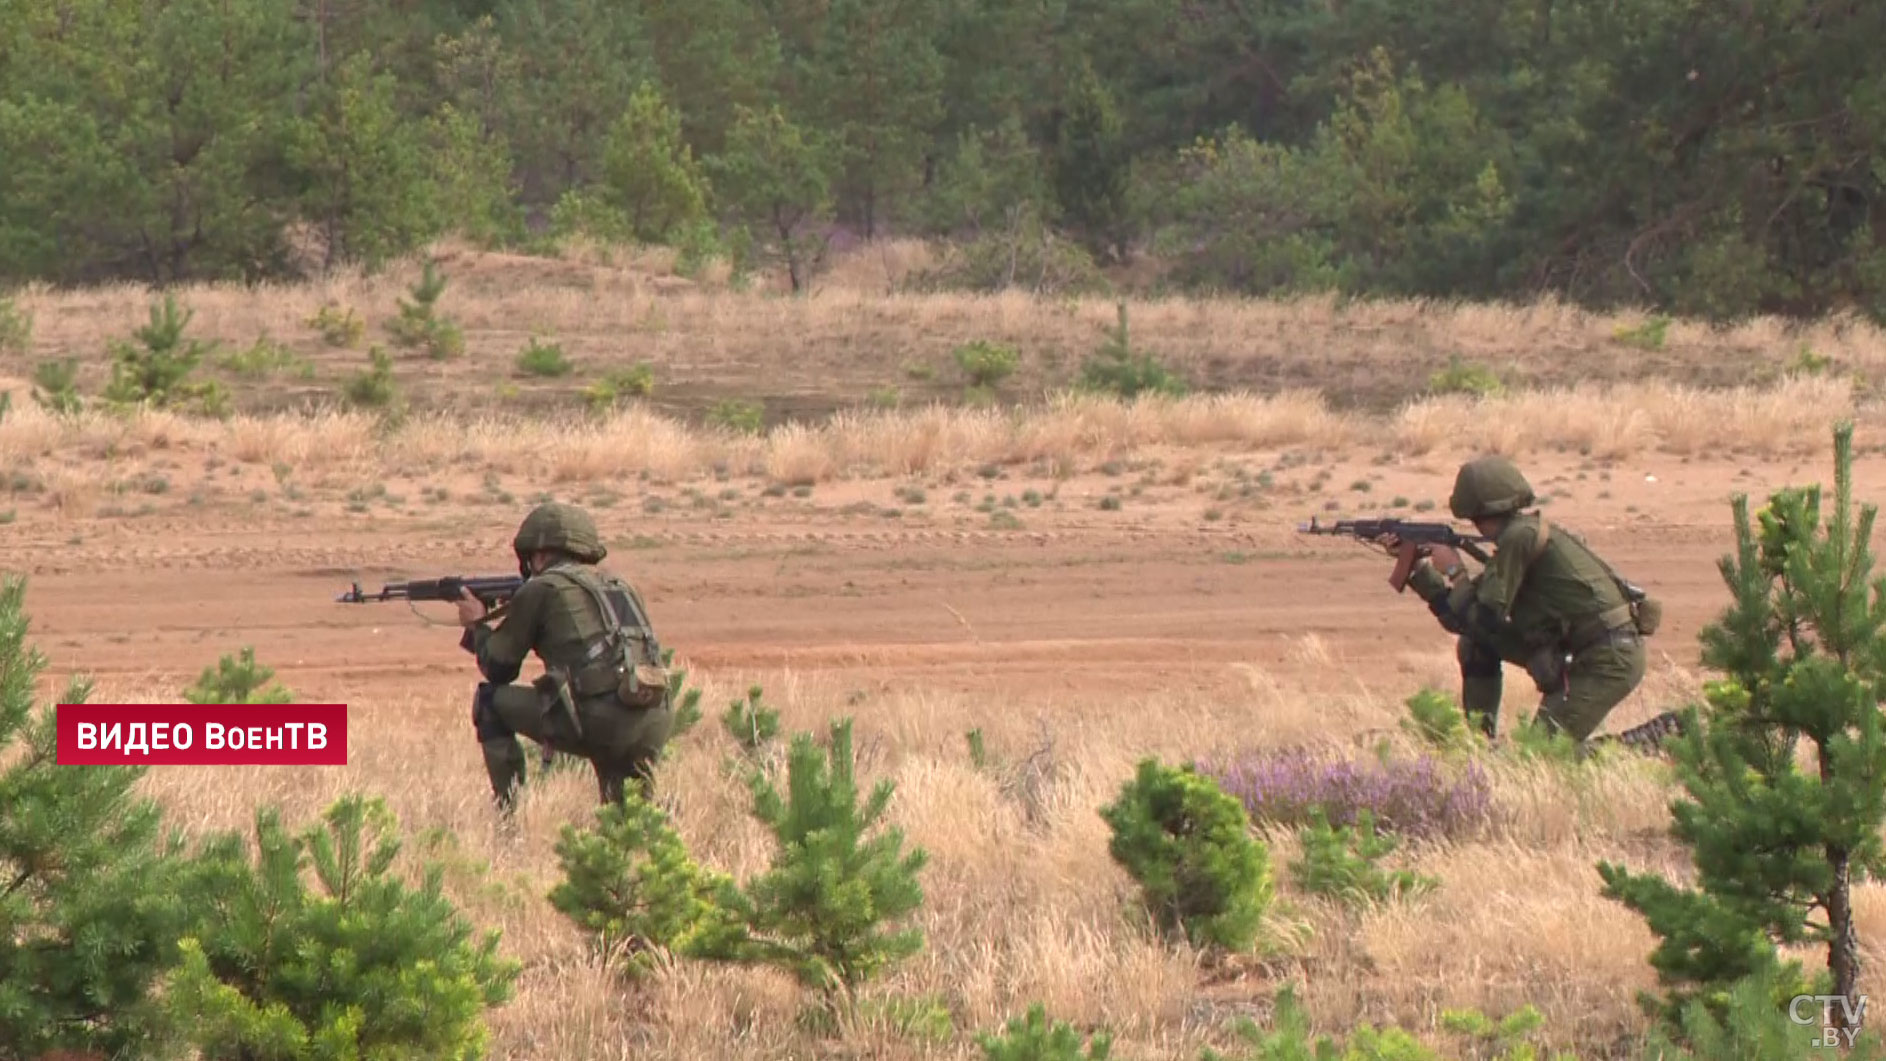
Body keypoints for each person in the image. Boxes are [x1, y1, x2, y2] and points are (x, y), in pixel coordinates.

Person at [1383, 455, 1651, 745]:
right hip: (1595, 651)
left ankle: (1640, 746)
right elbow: (1463, 619)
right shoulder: (1521, 537)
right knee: (1475, 644)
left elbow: (1483, 616)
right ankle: (1479, 743)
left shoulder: (1520, 539)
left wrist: (1454, 570)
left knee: (1542, 754)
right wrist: (1417, 569)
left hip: (1608, 658)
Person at [455, 502, 675, 814]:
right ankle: (650, 841)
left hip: (599, 718)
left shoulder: (542, 588)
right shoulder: (622, 586)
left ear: (540, 553)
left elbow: (499, 668)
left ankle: (508, 817)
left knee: (489, 703)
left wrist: (477, 626)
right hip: (654, 714)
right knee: (626, 815)